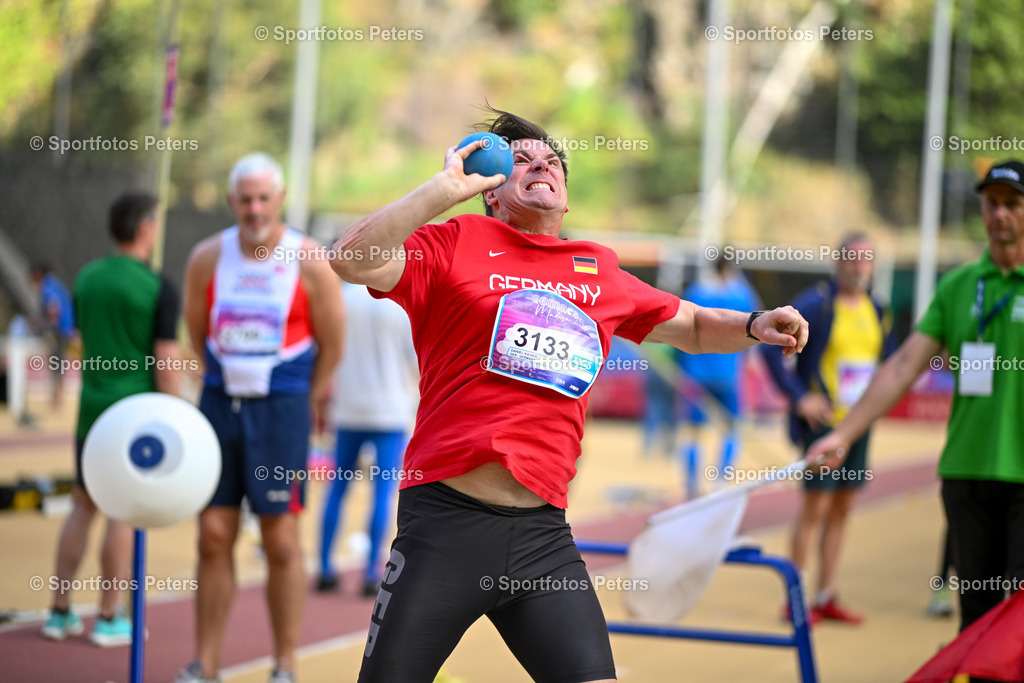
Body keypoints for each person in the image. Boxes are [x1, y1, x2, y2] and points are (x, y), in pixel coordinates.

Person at [330, 107, 808, 683]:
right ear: (492, 190)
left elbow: (696, 326)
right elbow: (350, 259)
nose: (542, 166)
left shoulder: (597, 270)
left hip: (542, 538)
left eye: (552, 162)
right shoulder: (456, 240)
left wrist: (757, 323)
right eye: (522, 161)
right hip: (446, 529)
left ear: (565, 196)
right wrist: (442, 190)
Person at [807, 160, 1024, 647]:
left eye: (1013, 204)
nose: (1000, 214)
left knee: (1021, 620)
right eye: (992, 203)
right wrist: (843, 434)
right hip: (967, 475)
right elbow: (904, 365)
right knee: (977, 622)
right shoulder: (960, 286)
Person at [177, 153, 344, 683]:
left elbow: (333, 345)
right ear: (232, 202)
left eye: (263, 199)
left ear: (281, 199)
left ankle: (285, 664)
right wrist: (223, 384)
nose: (254, 209)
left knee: (281, 541)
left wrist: (304, 399)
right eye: (245, 200)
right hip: (220, 407)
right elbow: (197, 332)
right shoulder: (207, 257)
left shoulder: (310, 259)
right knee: (211, 536)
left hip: (283, 411)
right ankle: (205, 663)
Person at [42, 192, 182, 646]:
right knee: (122, 512)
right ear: (145, 229)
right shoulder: (158, 286)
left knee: (82, 506)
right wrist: (177, 415)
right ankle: (107, 615)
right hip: (133, 416)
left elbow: (81, 336)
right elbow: (165, 357)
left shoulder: (86, 278)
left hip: (91, 412)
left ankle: (59, 611)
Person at [761, 233, 893, 625]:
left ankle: (826, 594)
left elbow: (889, 362)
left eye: (867, 259)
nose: (859, 266)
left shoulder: (879, 309)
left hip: (858, 425)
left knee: (842, 507)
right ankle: (797, 599)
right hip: (821, 426)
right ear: (838, 262)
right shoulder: (816, 303)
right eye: (852, 258)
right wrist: (799, 397)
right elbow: (770, 348)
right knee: (815, 507)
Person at [317, 282, 418, 597]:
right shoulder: (398, 303)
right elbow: (416, 361)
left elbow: (325, 351)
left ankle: (324, 568)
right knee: (382, 492)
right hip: (389, 412)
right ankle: (372, 572)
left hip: (347, 410)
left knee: (338, 488)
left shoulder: (339, 298)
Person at [677, 252, 761, 498]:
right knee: (733, 427)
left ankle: (692, 486)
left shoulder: (695, 292)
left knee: (693, 430)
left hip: (696, 373)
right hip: (727, 374)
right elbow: (755, 326)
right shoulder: (741, 293)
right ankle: (721, 481)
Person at [30, 263, 76, 410]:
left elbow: (53, 308)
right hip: (65, 329)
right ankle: (58, 397)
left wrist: (45, 325)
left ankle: (56, 399)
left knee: (56, 363)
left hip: (58, 331)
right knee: (59, 363)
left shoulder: (48, 287)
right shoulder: (55, 284)